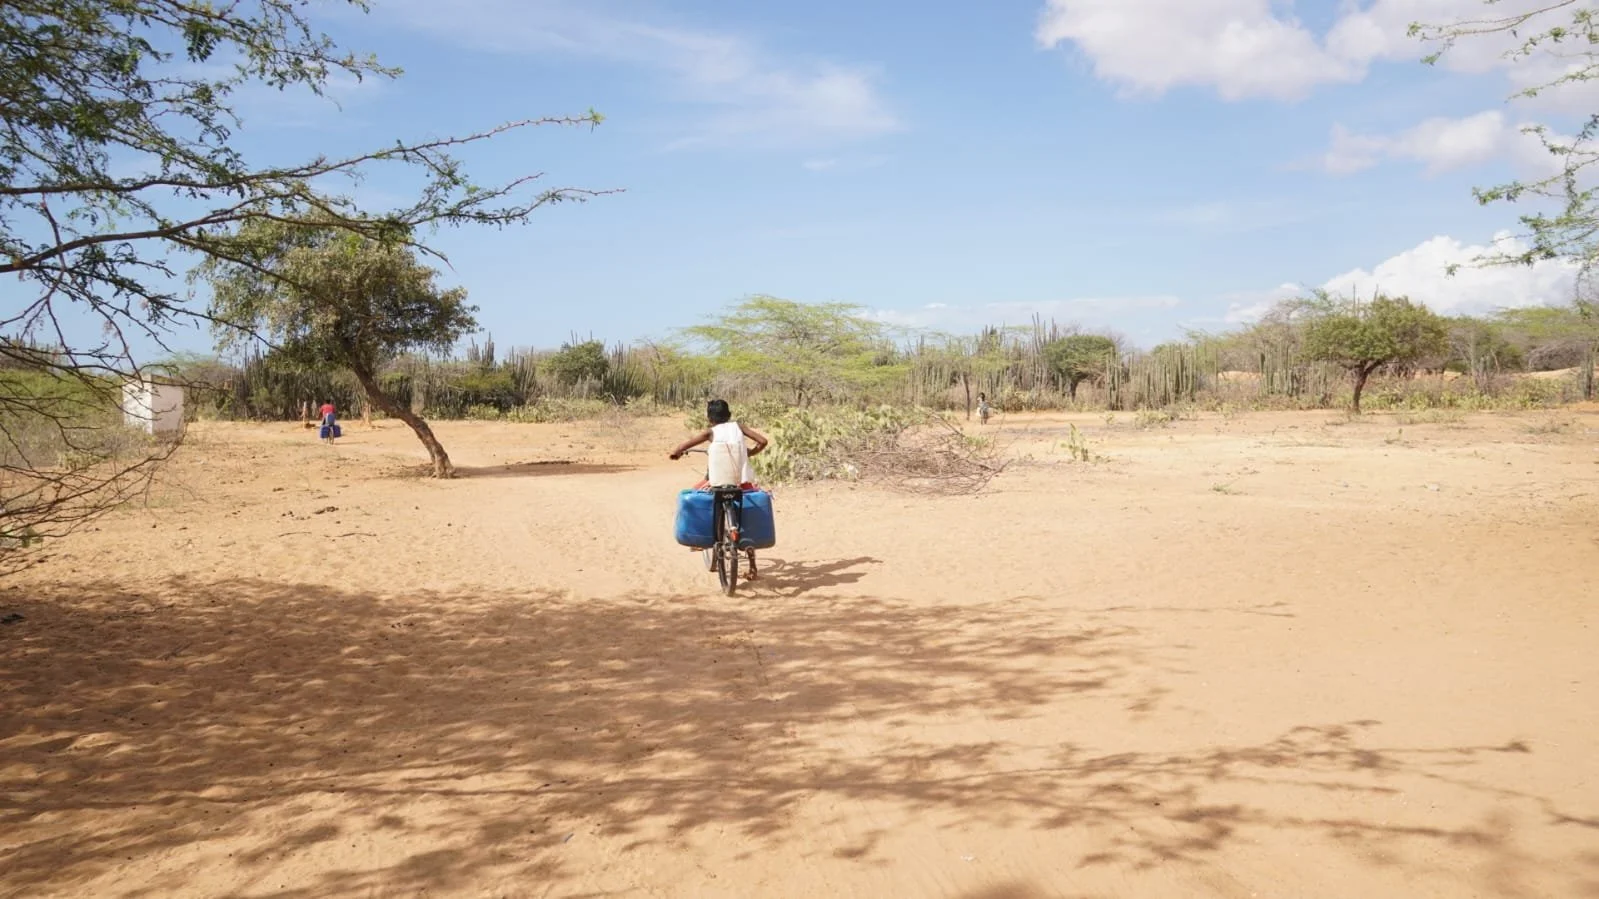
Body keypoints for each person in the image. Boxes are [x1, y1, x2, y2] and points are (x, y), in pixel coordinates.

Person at [670, 400, 770, 578]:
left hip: (717, 481)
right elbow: (763, 441)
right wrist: (749, 452)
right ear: (729, 415)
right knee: (745, 515)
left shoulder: (711, 432)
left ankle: (700, 539)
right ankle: (753, 566)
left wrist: (676, 452)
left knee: (695, 495)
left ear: (709, 418)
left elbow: (684, 446)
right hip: (741, 481)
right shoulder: (738, 427)